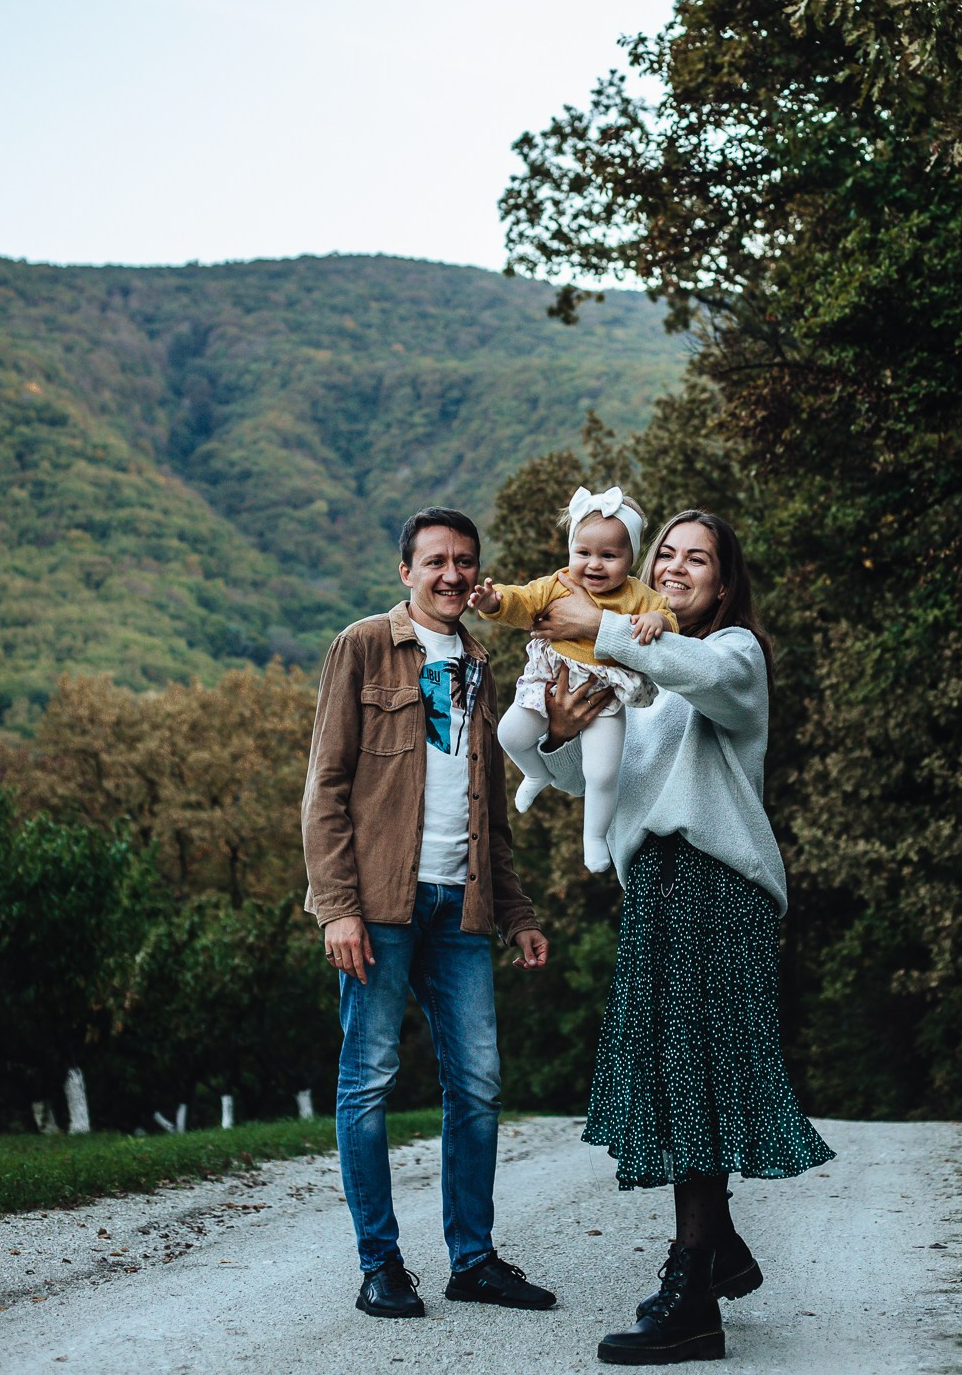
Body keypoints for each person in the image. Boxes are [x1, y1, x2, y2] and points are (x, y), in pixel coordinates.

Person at [529, 509, 835, 1366]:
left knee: (696, 1082)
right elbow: (594, 777)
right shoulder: (648, 678)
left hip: (717, 885)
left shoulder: (732, 656)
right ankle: (721, 1251)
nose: (675, 566)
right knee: (671, 1078)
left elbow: (690, 667)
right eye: (665, 552)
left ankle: (693, 1292)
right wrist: (555, 735)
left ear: (724, 583)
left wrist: (604, 625)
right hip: (657, 887)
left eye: (696, 559)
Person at [301, 507, 556, 1320]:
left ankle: (473, 1260)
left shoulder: (482, 662)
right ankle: (381, 1265)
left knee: (478, 1086)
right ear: (405, 570)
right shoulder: (364, 646)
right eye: (435, 560)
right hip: (377, 907)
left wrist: (516, 912)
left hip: (463, 908)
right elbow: (325, 787)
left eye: (465, 561)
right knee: (368, 1083)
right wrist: (337, 908)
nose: (451, 573)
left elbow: (493, 813)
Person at [469, 485, 677, 872]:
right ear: (570, 551)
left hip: (606, 694)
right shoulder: (559, 583)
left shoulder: (638, 596)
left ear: (631, 558)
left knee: (602, 772)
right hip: (550, 680)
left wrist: (657, 620)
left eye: (609, 556)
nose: (594, 564)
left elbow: (667, 616)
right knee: (509, 733)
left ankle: (595, 837)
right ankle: (535, 772)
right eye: (584, 553)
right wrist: (494, 603)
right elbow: (523, 601)